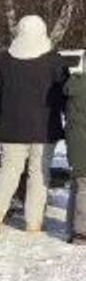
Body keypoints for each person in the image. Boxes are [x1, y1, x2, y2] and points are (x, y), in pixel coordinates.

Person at [0, 14, 68, 235]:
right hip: (45, 126)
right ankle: (33, 222)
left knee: (9, 170)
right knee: (39, 173)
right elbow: (61, 96)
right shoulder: (55, 61)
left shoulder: (2, 61)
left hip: (12, 126)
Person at [65, 61, 86, 242]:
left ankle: (71, 226)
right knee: (84, 187)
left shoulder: (75, 84)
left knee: (77, 185)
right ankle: (81, 231)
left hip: (76, 145)